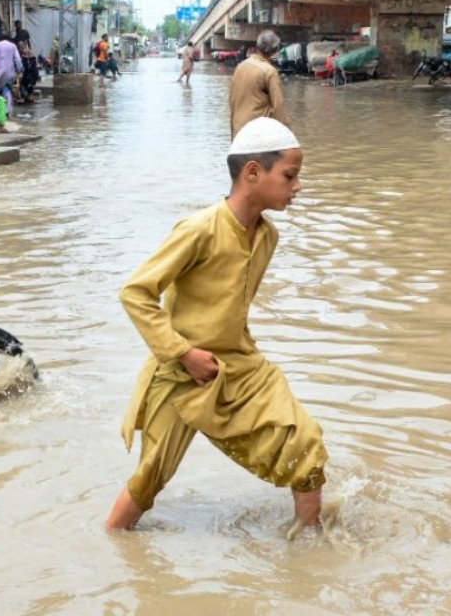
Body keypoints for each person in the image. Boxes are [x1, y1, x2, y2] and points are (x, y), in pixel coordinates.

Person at [106, 117, 328, 533]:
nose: (297, 186)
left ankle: (310, 544)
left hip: (239, 365)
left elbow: (234, 308)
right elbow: (136, 293)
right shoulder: (200, 229)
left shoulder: (267, 236)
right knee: (150, 478)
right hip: (182, 370)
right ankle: (112, 549)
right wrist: (183, 353)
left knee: (305, 443)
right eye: (290, 175)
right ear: (253, 172)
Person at [228, 29, 288, 138]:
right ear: (275, 50)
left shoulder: (240, 67)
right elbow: (278, 108)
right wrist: (287, 135)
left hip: (238, 133)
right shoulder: (269, 71)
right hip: (257, 135)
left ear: (257, 46)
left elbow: (232, 101)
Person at [14, 19, 40, 103]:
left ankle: (29, 96)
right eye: (17, 25)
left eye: (19, 24)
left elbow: (33, 66)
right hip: (26, 70)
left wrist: (28, 50)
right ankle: (27, 96)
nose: (18, 26)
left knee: (28, 83)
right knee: (26, 83)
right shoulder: (16, 34)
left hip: (29, 72)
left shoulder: (24, 33)